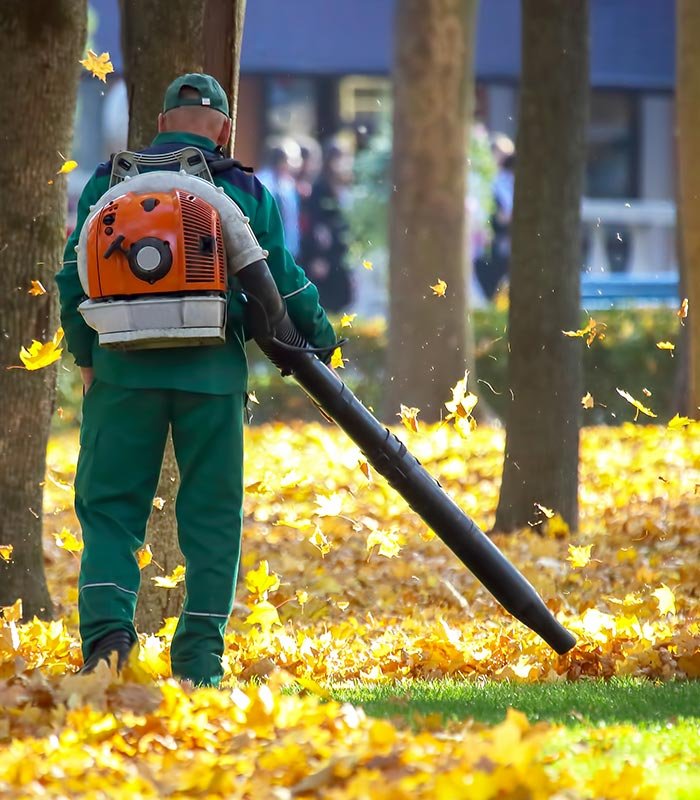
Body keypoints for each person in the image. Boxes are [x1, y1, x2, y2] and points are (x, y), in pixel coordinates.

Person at [55, 73, 337, 688]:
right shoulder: (242, 189)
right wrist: (322, 338)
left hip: (123, 373)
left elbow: (74, 276)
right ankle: (200, 660)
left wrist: (86, 357)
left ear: (160, 123)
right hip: (212, 375)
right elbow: (280, 278)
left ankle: (106, 643)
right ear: (226, 130)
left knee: (109, 511)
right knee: (211, 516)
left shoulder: (110, 182)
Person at [299, 140, 354, 313]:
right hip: (324, 255)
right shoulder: (320, 188)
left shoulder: (348, 186)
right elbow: (313, 223)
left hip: (343, 251)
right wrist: (317, 255)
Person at [256, 139, 302, 258]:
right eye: (294, 159)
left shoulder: (288, 185)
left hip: (289, 252)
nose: (298, 163)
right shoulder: (261, 183)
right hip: (265, 251)